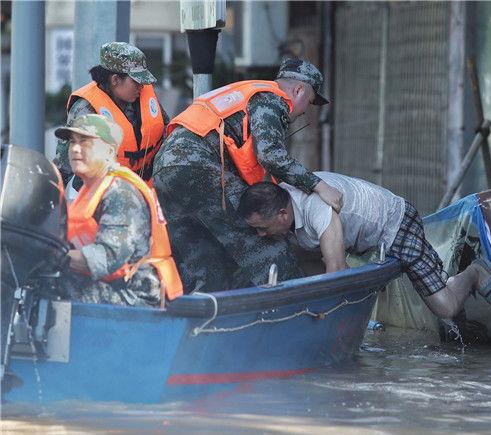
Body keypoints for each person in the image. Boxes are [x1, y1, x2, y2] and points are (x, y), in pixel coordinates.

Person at [152, 57, 343, 293]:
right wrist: (319, 186)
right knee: (262, 229)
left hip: (164, 170)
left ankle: (202, 317)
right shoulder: (270, 100)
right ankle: (297, 308)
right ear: (299, 90)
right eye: (309, 103)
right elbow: (270, 155)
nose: (303, 113)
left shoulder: (246, 93)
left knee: (201, 254)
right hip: (196, 166)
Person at [238, 172, 491, 319]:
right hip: (364, 240)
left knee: (446, 308)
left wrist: (323, 319)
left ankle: (475, 273)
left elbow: (336, 268)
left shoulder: (316, 207)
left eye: (262, 228)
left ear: (283, 215)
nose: (260, 235)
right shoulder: (284, 202)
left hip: (396, 224)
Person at [55, 114, 182, 306]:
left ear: (109, 151)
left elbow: (106, 259)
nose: (75, 149)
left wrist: (51, 255)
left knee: (54, 288)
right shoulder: (87, 190)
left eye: (85, 142)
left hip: (138, 297)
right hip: (111, 287)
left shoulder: (120, 193)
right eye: (72, 142)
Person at [54, 42, 169, 189]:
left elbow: (166, 131)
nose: (142, 86)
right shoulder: (86, 109)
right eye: (136, 81)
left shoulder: (141, 93)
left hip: (147, 190)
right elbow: (64, 165)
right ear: (115, 80)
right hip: (106, 195)